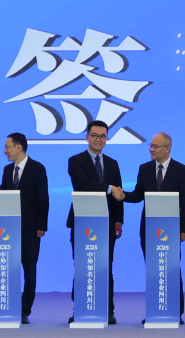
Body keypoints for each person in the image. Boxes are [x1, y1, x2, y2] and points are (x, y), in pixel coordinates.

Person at [0, 132, 50, 323]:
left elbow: (43, 199)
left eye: (7, 147)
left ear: (18, 147)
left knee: (30, 270)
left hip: (31, 229)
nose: (4, 151)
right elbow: (2, 196)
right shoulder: (8, 170)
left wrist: (41, 225)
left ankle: (24, 310)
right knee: (10, 269)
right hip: (9, 230)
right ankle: (8, 305)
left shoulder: (37, 168)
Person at [123, 132, 185, 324]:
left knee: (172, 270)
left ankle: (175, 312)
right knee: (153, 270)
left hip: (171, 229)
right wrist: (123, 195)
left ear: (167, 148)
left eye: (155, 146)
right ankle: (154, 310)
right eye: (150, 146)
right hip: (149, 229)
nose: (151, 149)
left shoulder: (181, 170)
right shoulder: (144, 168)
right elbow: (138, 195)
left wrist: (184, 229)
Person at [66, 120, 125, 324]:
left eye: (103, 136)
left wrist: (119, 220)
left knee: (105, 266)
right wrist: (109, 188)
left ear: (107, 138)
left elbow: (118, 194)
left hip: (107, 223)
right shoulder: (75, 160)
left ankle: (107, 309)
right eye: (95, 135)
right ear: (87, 137)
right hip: (82, 222)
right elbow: (83, 185)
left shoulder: (113, 163)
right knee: (83, 266)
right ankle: (80, 308)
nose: (99, 139)